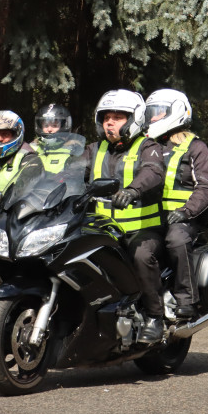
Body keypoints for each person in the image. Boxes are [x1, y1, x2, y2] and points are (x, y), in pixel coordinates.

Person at [82, 89, 166, 343]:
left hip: (141, 230)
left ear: (134, 119)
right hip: (103, 229)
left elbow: (153, 172)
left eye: (118, 117)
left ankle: (154, 316)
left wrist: (132, 190)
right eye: (106, 117)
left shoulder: (148, 147)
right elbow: (69, 173)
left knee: (141, 257)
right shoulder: (93, 149)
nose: (110, 122)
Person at [144, 88, 208, 320]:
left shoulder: (195, 147)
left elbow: (205, 187)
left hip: (183, 219)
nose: (153, 117)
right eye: (150, 112)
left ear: (176, 112)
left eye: (158, 112)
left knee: (176, 240)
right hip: (148, 216)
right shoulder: (143, 145)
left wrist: (185, 211)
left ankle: (187, 300)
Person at [31, 103, 82, 173]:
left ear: (63, 126)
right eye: (46, 125)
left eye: (54, 126)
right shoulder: (33, 148)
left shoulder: (73, 150)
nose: (49, 129)